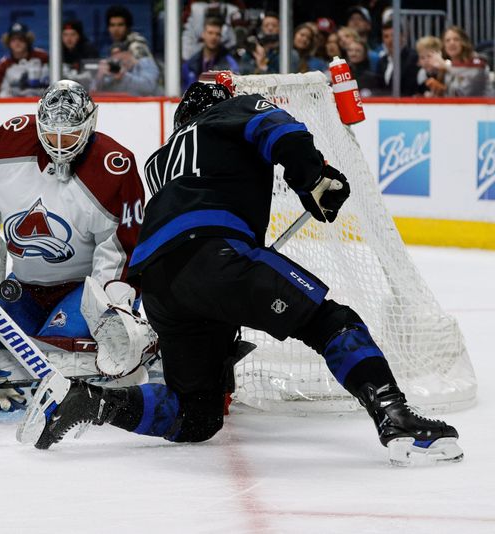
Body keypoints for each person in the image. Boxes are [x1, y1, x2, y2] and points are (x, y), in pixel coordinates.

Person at [24, 76, 463, 467]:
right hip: (216, 254)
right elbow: (281, 131)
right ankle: (396, 416)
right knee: (330, 321)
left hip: (158, 282)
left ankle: (92, 402)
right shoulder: (232, 109)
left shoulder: (161, 158)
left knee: (195, 415)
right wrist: (314, 178)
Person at [0, 79, 147, 390]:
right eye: (52, 134)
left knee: (70, 355)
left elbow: (122, 249)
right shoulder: (7, 143)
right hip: (23, 286)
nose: (60, 145)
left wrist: (111, 306)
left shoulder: (114, 167)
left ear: (90, 123)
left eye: (71, 136)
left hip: (81, 289)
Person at [428, 26, 493, 97]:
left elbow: (469, 93)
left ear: (464, 42)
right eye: (447, 40)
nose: (451, 43)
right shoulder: (448, 66)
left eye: (456, 39)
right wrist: (439, 91)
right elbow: (453, 94)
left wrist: (445, 66)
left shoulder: (477, 61)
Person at [181, 15, 239, 92]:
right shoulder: (190, 65)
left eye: (217, 34)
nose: (213, 37)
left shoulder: (230, 64)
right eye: (210, 33)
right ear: (203, 34)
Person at [0, 22, 49, 97]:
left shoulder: (42, 57)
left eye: (21, 39)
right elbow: (1, 93)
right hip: (14, 105)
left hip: (42, 102)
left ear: (27, 40)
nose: (17, 43)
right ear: (8, 42)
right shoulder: (3, 64)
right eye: (13, 40)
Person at [94, 40, 159, 95]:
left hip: (153, 105)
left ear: (128, 53)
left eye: (119, 55)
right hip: (124, 107)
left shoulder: (145, 63)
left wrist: (124, 75)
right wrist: (100, 76)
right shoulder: (114, 70)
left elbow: (148, 87)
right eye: (114, 57)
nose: (117, 58)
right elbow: (94, 93)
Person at [373, 20, 419, 96]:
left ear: (403, 36)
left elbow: (409, 89)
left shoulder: (412, 58)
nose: (390, 40)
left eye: (393, 35)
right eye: (386, 36)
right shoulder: (382, 61)